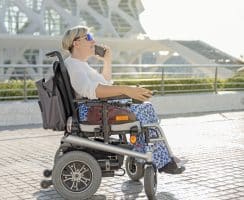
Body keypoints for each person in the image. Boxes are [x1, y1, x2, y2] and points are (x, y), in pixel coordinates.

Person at [61, 25, 185, 174]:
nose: (93, 41)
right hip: (92, 111)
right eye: (89, 37)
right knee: (146, 109)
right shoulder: (74, 66)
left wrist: (107, 61)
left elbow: (104, 83)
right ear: (76, 43)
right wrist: (126, 90)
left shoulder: (79, 64)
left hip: (95, 107)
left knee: (142, 106)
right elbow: (92, 90)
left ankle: (157, 156)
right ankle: (162, 160)